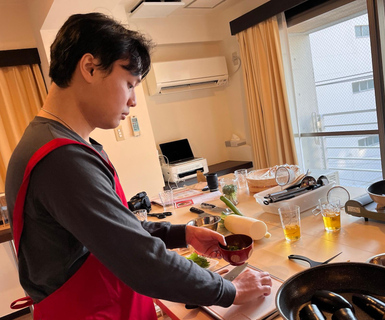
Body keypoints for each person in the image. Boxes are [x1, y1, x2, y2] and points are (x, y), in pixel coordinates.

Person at [5, 12, 272, 319]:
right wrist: (232, 291)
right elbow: (138, 258)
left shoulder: (56, 141)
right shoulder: (61, 158)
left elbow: (114, 232)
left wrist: (181, 234)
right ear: (90, 68)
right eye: (130, 83)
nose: (133, 101)